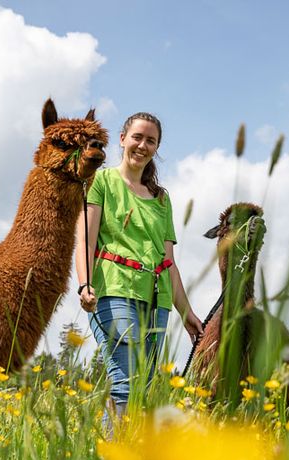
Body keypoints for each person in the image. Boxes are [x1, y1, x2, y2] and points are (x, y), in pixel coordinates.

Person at [75, 111, 202, 429]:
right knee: (127, 381)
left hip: (156, 301)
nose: (143, 145)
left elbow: (168, 262)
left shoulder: (162, 199)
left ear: (156, 147)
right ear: (122, 139)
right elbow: (86, 239)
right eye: (137, 137)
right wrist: (84, 284)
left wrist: (187, 314)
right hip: (114, 290)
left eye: (151, 140)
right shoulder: (102, 181)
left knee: (141, 386)